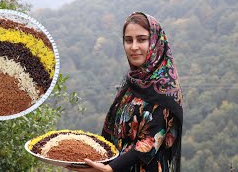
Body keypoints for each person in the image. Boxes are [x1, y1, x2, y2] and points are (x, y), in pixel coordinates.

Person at [68, 12, 183, 172]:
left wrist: (110, 168)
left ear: (155, 42)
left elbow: (150, 141)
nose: (134, 47)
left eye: (141, 39)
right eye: (128, 40)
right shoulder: (132, 82)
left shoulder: (164, 88)